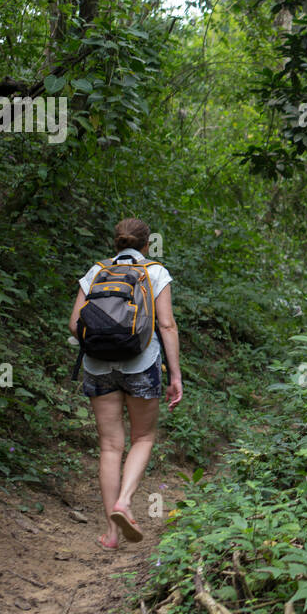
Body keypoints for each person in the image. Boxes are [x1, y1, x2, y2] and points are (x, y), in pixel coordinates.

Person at [67, 218, 183, 550]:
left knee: (109, 447)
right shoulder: (155, 272)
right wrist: (174, 376)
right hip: (141, 364)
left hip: (97, 366)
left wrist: (103, 341)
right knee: (143, 437)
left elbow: (75, 324)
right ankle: (125, 502)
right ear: (146, 245)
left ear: (115, 243)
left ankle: (111, 534)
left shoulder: (96, 271)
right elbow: (167, 325)